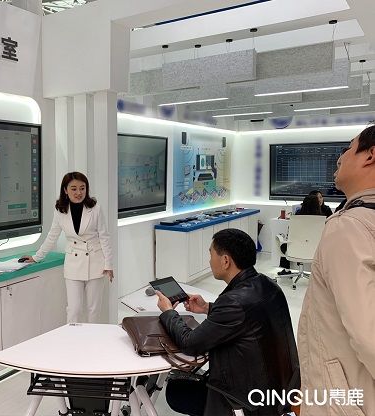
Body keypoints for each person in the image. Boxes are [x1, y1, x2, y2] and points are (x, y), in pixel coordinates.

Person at [156, 229, 299, 416]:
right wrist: (207, 307)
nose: (209, 261)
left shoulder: (233, 302)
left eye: (211, 254)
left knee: (175, 390)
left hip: (244, 402)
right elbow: (248, 315)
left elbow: (190, 343)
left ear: (225, 261)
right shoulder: (269, 285)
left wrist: (168, 312)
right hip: (276, 391)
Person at [298, 123, 375, 416]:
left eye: (349, 147)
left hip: (345, 396)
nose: (340, 157)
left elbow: (369, 337)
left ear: (370, 155)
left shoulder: (349, 227)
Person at [20, 172, 114, 324]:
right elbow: (52, 236)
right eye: (74, 189)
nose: (79, 192)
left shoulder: (95, 208)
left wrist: (109, 264)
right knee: (74, 309)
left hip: (96, 262)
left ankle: (93, 338)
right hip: (73, 264)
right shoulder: (60, 210)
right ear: (65, 190)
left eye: (82, 188)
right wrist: (37, 257)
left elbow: (104, 236)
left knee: (93, 309)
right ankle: (72, 337)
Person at [277, 194, 324, 275]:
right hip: (315, 251)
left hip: (295, 250)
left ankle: (286, 270)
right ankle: (320, 274)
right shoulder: (322, 218)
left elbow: (290, 234)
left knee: (285, 244)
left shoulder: (297, 217)